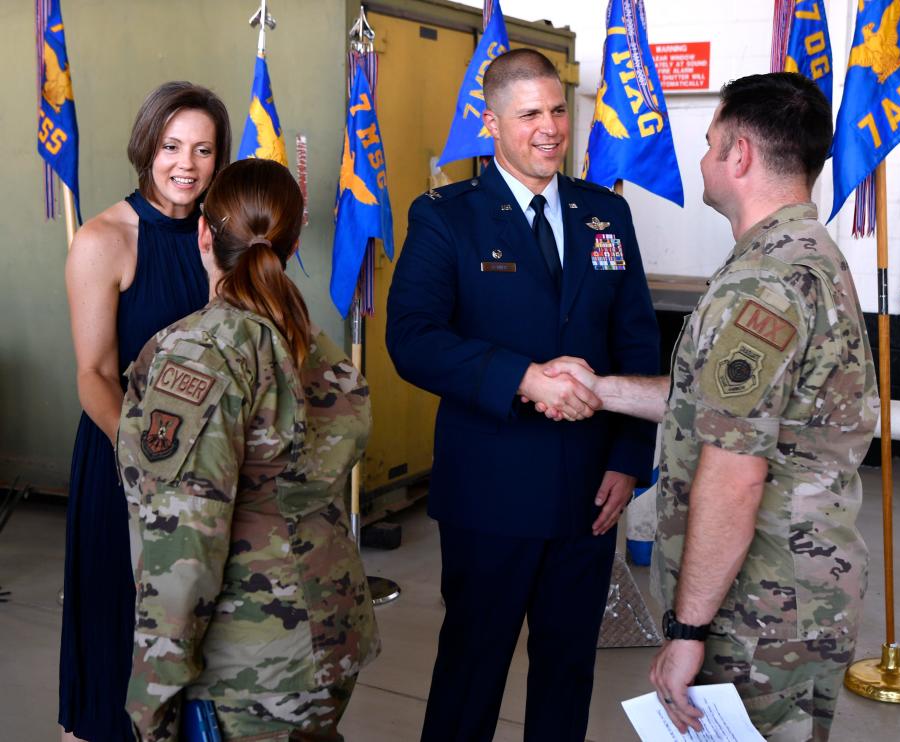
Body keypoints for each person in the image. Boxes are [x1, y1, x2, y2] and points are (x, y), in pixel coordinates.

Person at [540, 72, 880, 742]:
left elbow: (734, 472)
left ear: (741, 156)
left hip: (758, 609)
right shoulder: (805, 256)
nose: (701, 160)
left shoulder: (764, 284)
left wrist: (688, 630)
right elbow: (718, 405)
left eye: (708, 143)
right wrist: (599, 387)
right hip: (801, 591)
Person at [386, 48, 660, 741]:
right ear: (492, 121)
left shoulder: (605, 214)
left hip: (589, 494)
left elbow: (638, 345)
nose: (550, 128)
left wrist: (629, 460)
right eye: (530, 113)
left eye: (559, 110)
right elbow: (413, 338)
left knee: (569, 672)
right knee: (472, 669)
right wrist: (524, 377)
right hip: (491, 490)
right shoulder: (448, 215)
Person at [116, 158, 380, 741]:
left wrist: (152, 696)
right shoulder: (314, 344)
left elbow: (184, 543)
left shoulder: (197, 353)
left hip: (246, 664)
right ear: (289, 243)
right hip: (330, 636)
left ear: (204, 234)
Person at [61, 81, 231, 742]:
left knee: (195, 655)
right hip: (127, 469)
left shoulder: (223, 237)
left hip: (212, 479)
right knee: (117, 649)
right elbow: (95, 376)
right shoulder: (105, 239)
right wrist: (153, 469)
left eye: (203, 149)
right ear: (147, 147)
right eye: (171, 146)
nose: (185, 164)